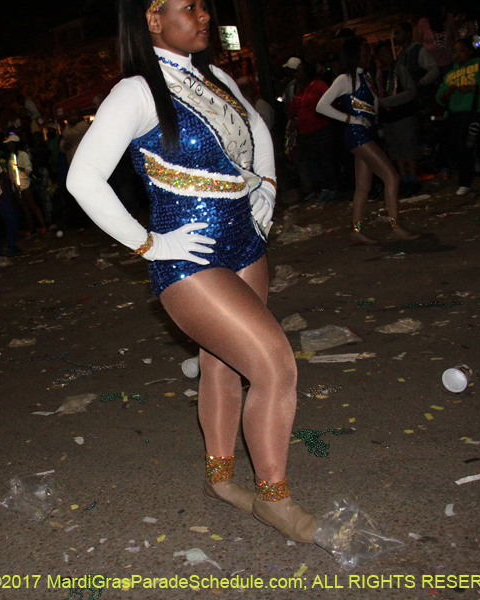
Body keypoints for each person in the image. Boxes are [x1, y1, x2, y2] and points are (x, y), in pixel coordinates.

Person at [68, 0, 317, 543]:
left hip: (245, 241)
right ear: (152, 19)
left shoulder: (215, 75)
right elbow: (82, 179)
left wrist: (266, 188)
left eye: (205, 5)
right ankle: (274, 496)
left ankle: (220, 478)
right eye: (190, 7)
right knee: (276, 367)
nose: (203, 15)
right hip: (187, 255)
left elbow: (259, 129)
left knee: (222, 365)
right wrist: (149, 244)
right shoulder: (136, 91)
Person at [317, 36, 420, 243]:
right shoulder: (345, 79)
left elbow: (373, 108)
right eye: (364, 53)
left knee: (363, 186)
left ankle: (356, 230)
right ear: (354, 55)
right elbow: (321, 105)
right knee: (392, 177)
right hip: (357, 135)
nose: (369, 56)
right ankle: (395, 227)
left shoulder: (366, 77)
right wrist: (351, 118)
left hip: (366, 134)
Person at [435, 39, 480, 195]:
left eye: (462, 50)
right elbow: (439, 98)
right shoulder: (450, 74)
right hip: (458, 116)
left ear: (470, 51)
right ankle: (465, 182)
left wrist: (472, 88)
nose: (458, 54)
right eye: (455, 51)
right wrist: (448, 93)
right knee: (463, 149)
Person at [288, 59, 339, 204]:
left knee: (326, 160)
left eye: (299, 71)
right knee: (316, 162)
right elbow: (292, 109)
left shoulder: (318, 85)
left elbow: (331, 102)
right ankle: (324, 190)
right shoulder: (301, 90)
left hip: (321, 128)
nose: (297, 75)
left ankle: (334, 189)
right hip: (307, 132)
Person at [375, 42, 421, 198]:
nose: (388, 56)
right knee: (395, 149)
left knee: (408, 146)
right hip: (388, 118)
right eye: (384, 53)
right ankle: (404, 179)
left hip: (403, 114)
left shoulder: (400, 69)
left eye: (389, 53)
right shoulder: (378, 74)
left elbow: (411, 91)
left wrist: (389, 101)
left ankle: (414, 179)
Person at [4, 134, 46, 235]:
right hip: (16, 185)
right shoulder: (11, 156)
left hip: (25, 183)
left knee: (32, 205)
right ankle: (31, 228)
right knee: (24, 207)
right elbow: (11, 171)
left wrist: (19, 168)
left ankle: (43, 225)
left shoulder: (23, 154)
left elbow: (29, 170)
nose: (8, 146)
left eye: (10, 144)